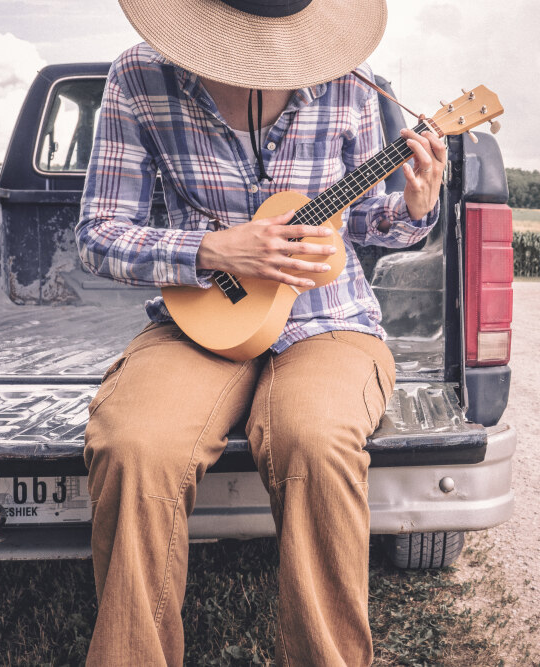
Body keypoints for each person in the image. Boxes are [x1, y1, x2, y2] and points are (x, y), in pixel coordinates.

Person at [75, 1, 446, 664]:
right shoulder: (139, 76)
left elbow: (366, 219)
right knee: (134, 443)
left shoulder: (350, 84)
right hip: (200, 319)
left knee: (315, 438)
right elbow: (100, 234)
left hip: (328, 319)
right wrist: (214, 249)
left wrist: (414, 207)